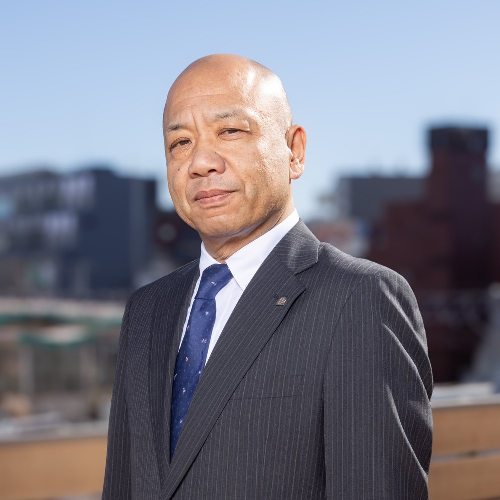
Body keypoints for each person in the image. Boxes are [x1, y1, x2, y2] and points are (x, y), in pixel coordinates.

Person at [102, 54, 433, 499]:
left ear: (294, 151)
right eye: (180, 142)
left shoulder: (360, 299)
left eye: (230, 131)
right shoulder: (147, 310)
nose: (200, 161)